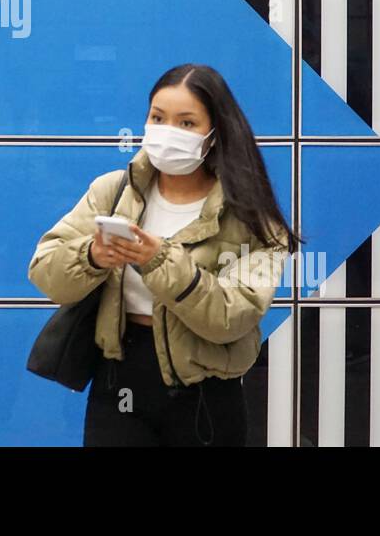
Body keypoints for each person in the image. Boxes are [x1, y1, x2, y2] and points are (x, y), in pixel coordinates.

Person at [28, 63, 302, 446]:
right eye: (158, 117)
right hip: (119, 382)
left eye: (186, 123)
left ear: (214, 133)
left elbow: (231, 317)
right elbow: (45, 272)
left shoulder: (252, 216)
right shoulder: (113, 191)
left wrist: (159, 260)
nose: (168, 132)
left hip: (208, 393)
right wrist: (91, 255)